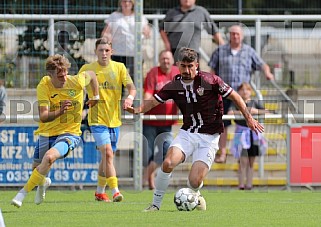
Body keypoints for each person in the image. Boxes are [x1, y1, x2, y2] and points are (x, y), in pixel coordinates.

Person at [126, 47, 264, 211]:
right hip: (187, 133)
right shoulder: (174, 85)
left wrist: (248, 118)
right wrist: (137, 109)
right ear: (178, 65)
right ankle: (155, 205)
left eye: (190, 66)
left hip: (209, 137)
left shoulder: (210, 81)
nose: (187, 70)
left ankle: (196, 193)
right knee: (168, 162)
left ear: (197, 65)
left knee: (194, 181)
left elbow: (235, 96)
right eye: (183, 66)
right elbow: (154, 101)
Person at [11, 54, 99, 208]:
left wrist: (96, 96)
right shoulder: (44, 86)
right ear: (50, 75)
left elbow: (91, 75)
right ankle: (43, 183)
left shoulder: (76, 81)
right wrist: (60, 111)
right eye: (60, 76)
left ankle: (21, 194)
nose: (64, 78)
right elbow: (44, 116)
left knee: (49, 157)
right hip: (46, 133)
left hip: (70, 133)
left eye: (65, 73)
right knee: (37, 171)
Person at [78, 38, 136, 203]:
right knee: (108, 154)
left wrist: (130, 99)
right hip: (96, 120)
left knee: (106, 158)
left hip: (115, 120)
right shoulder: (87, 69)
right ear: (95, 52)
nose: (104, 53)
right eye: (100, 50)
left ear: (112, 52)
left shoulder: (119, 67)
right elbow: (77, 88)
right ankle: (116, 191)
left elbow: (132, 88)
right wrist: (79, 106)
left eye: (107, 50)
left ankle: (99, 192)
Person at [208, 24, 274, 164]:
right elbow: (212, 70)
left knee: (246, 124)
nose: (235, 36)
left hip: (242, 96)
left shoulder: (249, 51)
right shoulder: (220, 51)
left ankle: (244, 152)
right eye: (232, 34)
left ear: (242, 36)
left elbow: (262, 64)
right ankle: (223, 152)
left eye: (238, 34)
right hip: (224, 94)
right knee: (223, 124)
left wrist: (267, 72)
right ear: (229, 35)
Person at [142, 50, 180, 190]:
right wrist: (142, 108)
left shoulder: (177, 73)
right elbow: (148, 93)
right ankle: (151, 181)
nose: (166, 61)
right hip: (150, 121)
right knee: (149, 153)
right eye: (163, 58)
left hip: (167, 122)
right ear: (159, 60)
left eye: (168, 59)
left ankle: (148, 176)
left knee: (168, 152)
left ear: (172, 60)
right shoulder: (153, 73)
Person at [228, 82, 269, 190]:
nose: (245, 92)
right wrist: (244, 112)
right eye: (242, 89)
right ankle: (241, 183)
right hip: (241, 134)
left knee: (251, 161)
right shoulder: (236, 103)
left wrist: (255, 111)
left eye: (247, 89)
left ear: (251, 91)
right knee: (243, 161)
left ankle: (249, 183)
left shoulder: (255, 102)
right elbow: (229, 113)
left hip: (253, 135)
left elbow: (267, 112)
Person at [101, 0, 150, 85]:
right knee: (117, 80)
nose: (127, 4)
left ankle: (135, 98)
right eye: (124, 1)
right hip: (118, 53)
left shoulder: (140, 16)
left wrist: (146, 32)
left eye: (129, 1)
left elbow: (147, 32)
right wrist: (107, 38)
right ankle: (118, 98)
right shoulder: (114, 16)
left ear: (133, 3)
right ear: (120, 3)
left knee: (135, 81)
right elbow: (105, 32)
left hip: (135, 54)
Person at [159, 0, 225, 62]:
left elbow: (214, 31)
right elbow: (162, 28)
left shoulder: (201, 12)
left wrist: (225, 48)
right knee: (175, 74)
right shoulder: (172, 13)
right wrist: (167, 44)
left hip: (193, 53)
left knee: (193, 74)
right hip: (174, 52)